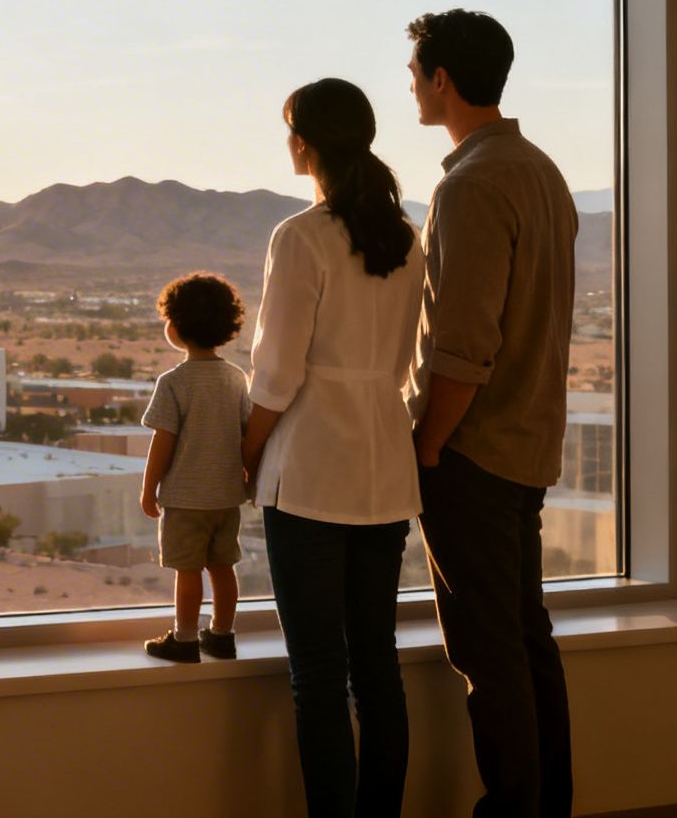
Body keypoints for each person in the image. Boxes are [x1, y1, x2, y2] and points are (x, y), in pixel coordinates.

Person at [404, 9, 578, 818]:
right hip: (529, 445)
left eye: (416, 71)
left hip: (474, 452)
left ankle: (512, 808)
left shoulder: (469, 184)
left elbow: (463, 345)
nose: (410, 84)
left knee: (489, 650)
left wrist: (428, 446)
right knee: (525, 637)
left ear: (442, 80)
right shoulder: (541, 170)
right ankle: (546, 803)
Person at [242, 78, 425, 818]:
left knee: (318, 673)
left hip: (312, 473)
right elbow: (407, 365)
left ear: (307, 144)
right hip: (384, 469)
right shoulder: (403, 238)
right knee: (376, 667)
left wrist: (248, 453)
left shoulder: (301, 237)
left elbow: (276, 372)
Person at [138, 271, 250, 662]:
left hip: (186, 499)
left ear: (177, 326)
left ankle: (185, 639)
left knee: (188, 570)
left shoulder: (174, 382)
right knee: (223, 567)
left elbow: (163, 440)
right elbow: (247, 434)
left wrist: (149, 487)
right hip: (225, 497)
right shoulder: (236, 378)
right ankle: (222, 635)